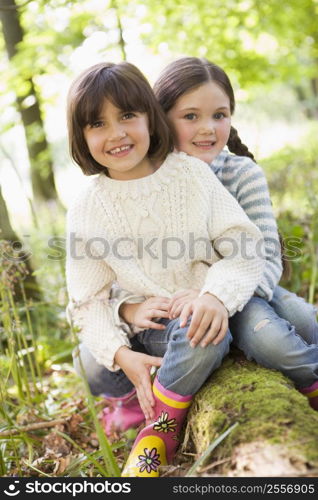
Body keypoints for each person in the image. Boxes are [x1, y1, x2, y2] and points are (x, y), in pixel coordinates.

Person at [66, 61, 265, 477]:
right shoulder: (86, 205)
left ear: (150, 119)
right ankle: (140, 392)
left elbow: (245, 246)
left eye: (127, 116)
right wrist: (123, 354)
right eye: (97, 124)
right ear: (81, 137)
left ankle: (159, 428)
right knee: (91, 361)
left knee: (206, 335)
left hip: (198, 315)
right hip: (145, 332)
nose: (117, 133)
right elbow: (87, 300)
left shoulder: (190, 174)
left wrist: (214, 296)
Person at [115, 57, 318, 417]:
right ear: (160, 117)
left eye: (219, 115)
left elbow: (266, 256)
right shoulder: (147, 181)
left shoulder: (242, 173)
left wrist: (218, 297)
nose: (207, 128)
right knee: (270, 340)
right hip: (183, 305)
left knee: (303, 320)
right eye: (190, 116)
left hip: (247, 288)